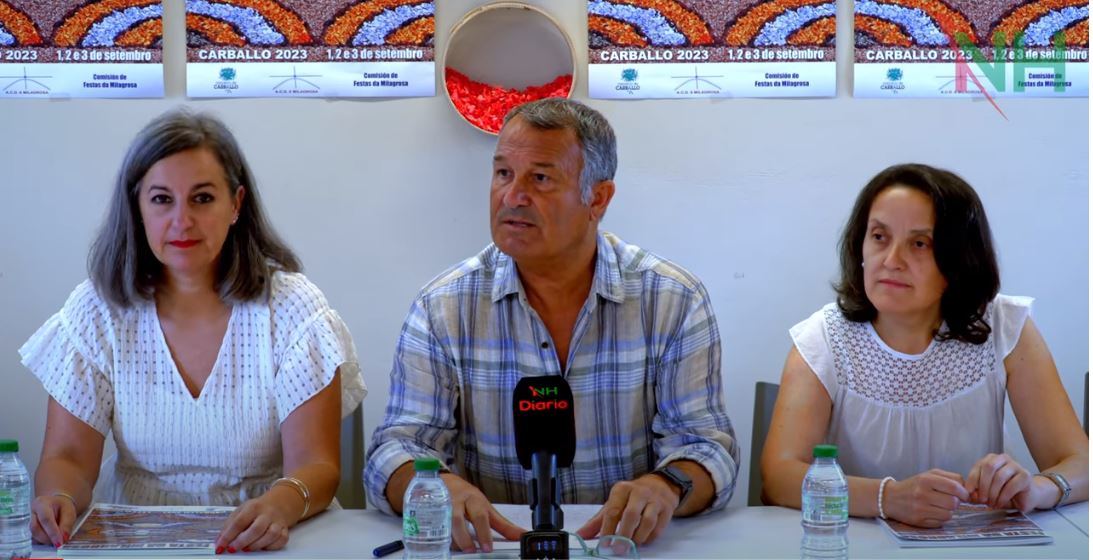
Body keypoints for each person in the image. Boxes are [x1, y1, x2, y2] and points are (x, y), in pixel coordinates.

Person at [364, 98, 738, 551]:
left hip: (620, 548)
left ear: (597, 198)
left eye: (540, 179)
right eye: (503, 173)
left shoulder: (672, 300)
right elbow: (395, 449)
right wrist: (434, 486)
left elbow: (708, 447)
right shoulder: (443, 306)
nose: (512, 197)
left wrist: (668, 485)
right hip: (498, 548)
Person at [19, 109, 366, 552]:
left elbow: (316, 465)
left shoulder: (292, 308)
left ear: (236, 204)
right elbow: (67, 459)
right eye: (162, 199)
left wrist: (280, 505)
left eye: (202, 198)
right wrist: (60, 498)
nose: (182, 221)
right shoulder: (97, 310)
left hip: (266, 539)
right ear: (137, 208)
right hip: (135, 539)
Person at [760, 163, 1087, 527]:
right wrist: (888, 498)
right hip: (858, 544)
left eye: (919, 244)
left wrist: (1039, 488)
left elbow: (1081, 463)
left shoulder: (1005, 327)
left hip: (977, 543)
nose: (892, 261)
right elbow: (779, 478)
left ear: (959, 259)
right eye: (879, 237)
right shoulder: (822, 338)